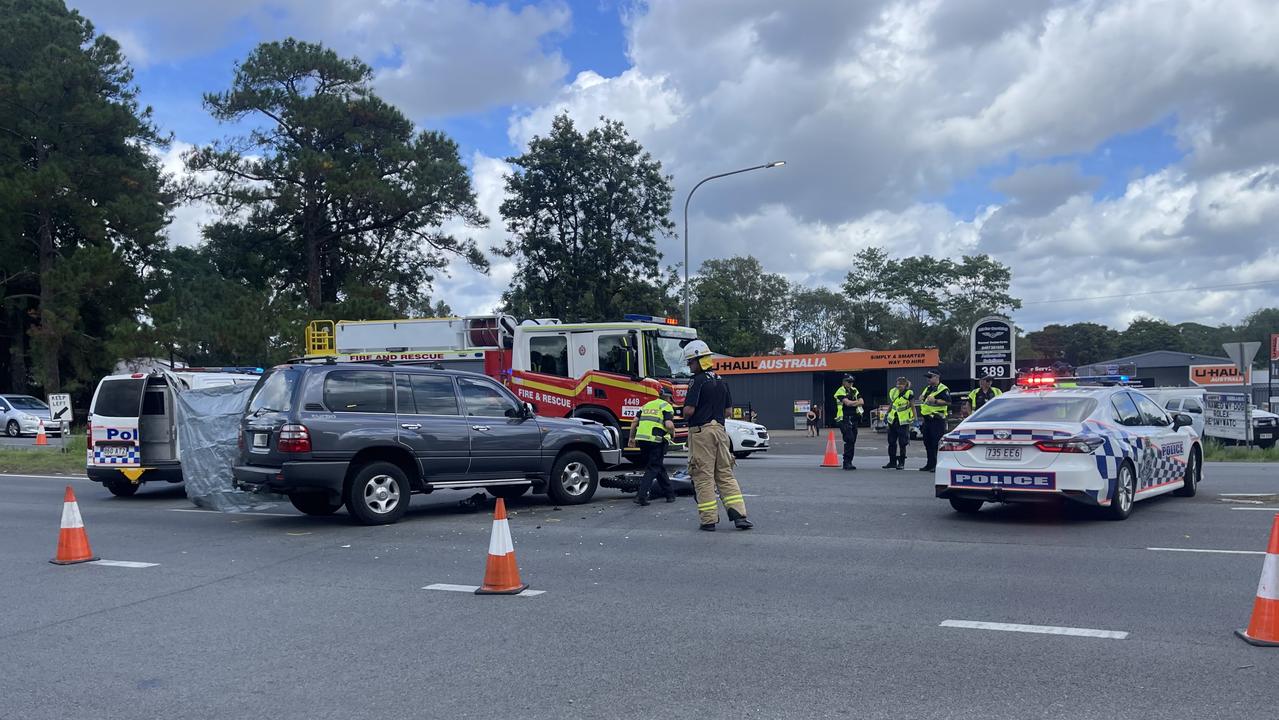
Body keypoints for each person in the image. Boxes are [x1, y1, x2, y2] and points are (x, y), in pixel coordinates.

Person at [681, 339, 752, 531]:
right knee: (725, 474)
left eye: (691, 362)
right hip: (720, 432)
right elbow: (728, 411)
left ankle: (708, 520)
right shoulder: (722, 380)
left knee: (703, 476)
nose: (689, 366)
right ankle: (739, 516)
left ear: (698, 360)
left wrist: (680, 410)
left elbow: (689, 410)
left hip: (701, 433)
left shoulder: (697, 381)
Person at [627, 379, 676, 506]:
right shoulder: (666, 406)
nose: (671, 402)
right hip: (656, 441)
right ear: (668, 397)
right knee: (653, 467)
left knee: (657, 466)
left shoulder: (646, 405)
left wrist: (631, 438)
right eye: (671, 400)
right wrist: (673, 434)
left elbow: (634, 422)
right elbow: (669, 424)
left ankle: (670, 494)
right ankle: (641, 496)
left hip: (642, 440)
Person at [917, 370, 951, 472]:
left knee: (936, 443)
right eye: (927, 377)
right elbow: (925, 401)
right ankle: (929, 464)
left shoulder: (943, 389)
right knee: (927, 443)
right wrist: (921, 398)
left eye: (930, 377)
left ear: (937, 377)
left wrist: (935, 401)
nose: (928, 379)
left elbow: (948, 402)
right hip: (927, 420)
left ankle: (937, 465)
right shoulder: (928, 388)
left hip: (937, 419)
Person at [881, 377, 915, 470]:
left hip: (903, 422)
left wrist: (915, 419)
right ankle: (892, 462)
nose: (899, 386)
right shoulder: (894, 392)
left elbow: (913, 406)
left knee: (902, 443)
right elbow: (892, 404)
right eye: (898, 384)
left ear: (905, 385)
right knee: (891, 442)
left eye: (901, 384)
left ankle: (901, 462)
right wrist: (887, 414)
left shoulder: (909, 393)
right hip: (893, 420)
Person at [833, 375, 865, 470]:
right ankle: (846, 462)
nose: (851, 383)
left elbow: (862, 401)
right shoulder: (840, 391)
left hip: (854, 418)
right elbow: (847, 403)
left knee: (853, 440)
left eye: (852, 382)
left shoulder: (854, 390)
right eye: (849, 382)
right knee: (849, 439)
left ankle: (849, 461)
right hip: (844, 418)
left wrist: (853, 403)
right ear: (844, 382)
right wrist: (856, 402)